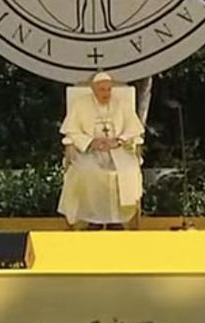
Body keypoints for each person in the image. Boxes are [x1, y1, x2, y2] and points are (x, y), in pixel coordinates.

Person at [58, 72, 145, 230]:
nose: (106, 93)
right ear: (94, 89)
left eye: (109, 89)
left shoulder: (121, 105)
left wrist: (119, 140)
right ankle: (93, 220)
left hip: (118, 151)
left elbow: (134, 129)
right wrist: (91, 142)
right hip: (89, 152)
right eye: (102, 90)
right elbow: (71, 131)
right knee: (87, 173)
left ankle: (117, 220)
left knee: (127, 171)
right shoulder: (81, 105)